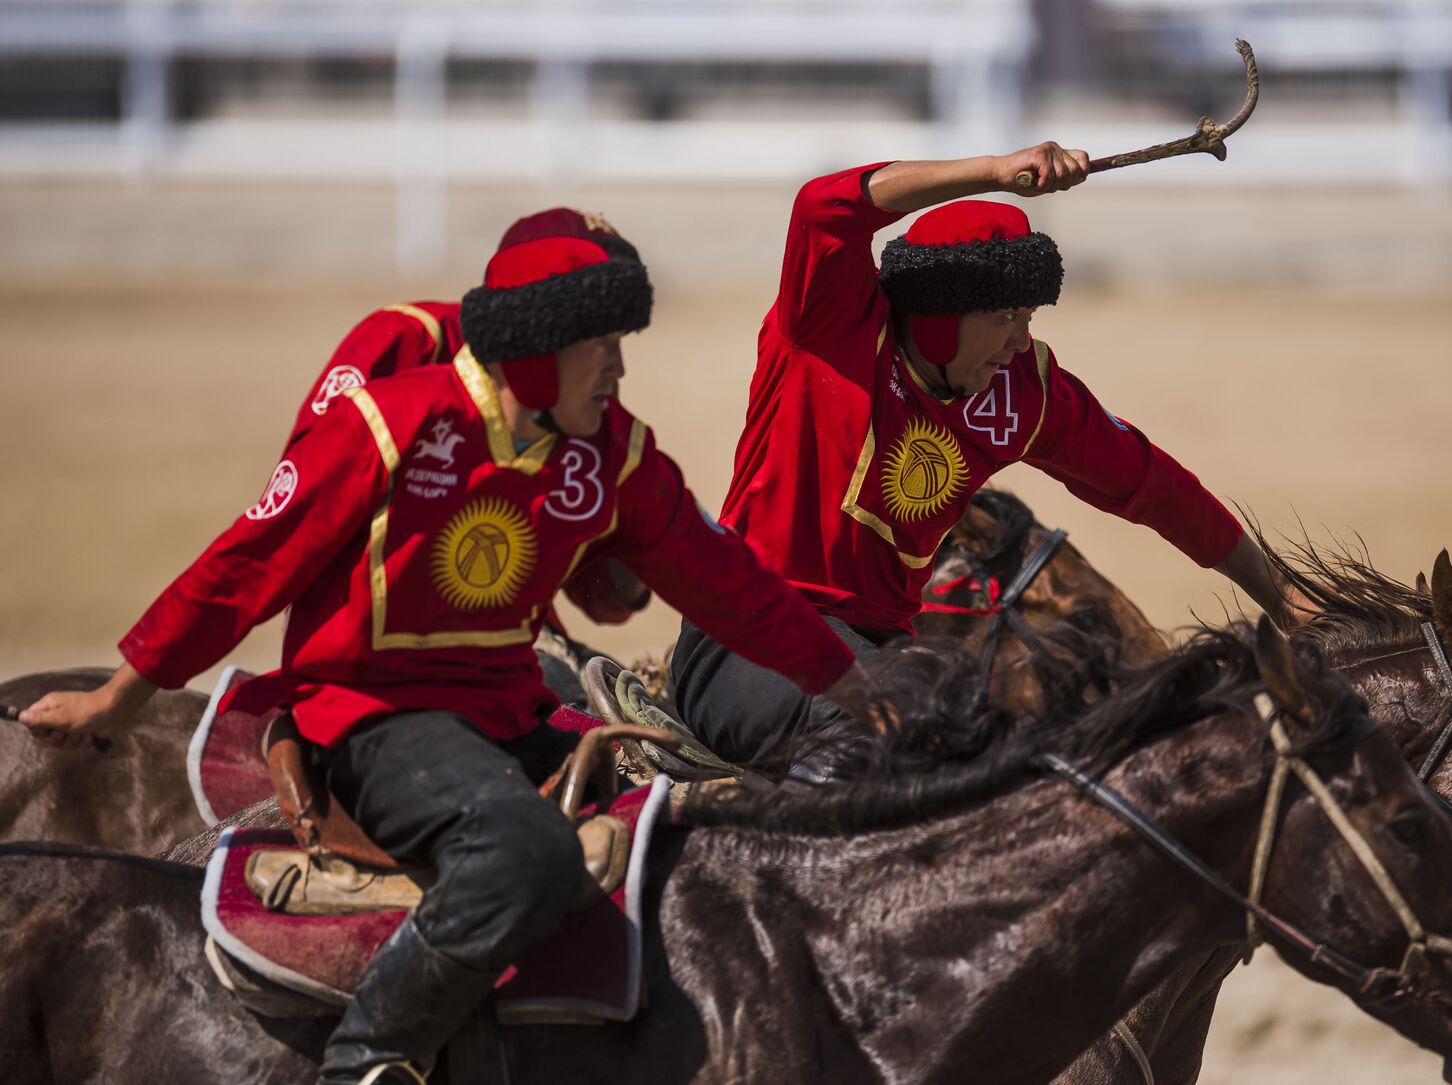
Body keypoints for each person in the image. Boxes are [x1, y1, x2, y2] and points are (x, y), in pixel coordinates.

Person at [20, 227, 876, 1084]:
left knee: (670, 823)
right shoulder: (389, 426)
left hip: (507, 713)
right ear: (535, 357)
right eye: (600, 345)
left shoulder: (612, 454)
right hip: (373, 720)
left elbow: (727, 582)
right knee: (526, 854)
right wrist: (116, 700)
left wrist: (849, 682)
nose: (618, 366)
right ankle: (366, 1054)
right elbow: (244, 568)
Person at [673, 143, 1295, 773]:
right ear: (939, 315)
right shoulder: (830, 325)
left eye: (1027, 316)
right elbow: (822, 207)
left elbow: (1156, 487)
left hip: (884, 654)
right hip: (746, 635)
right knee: (892, 726)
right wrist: (995, 172)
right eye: (1003, 317)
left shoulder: (1023, 393)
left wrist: (1283, 598)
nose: (1021, 341)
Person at [292, 207, 652, 625]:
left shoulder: (581, 399)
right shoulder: (408, 341)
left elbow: (607, 597)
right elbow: (300, 512)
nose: (614, 358)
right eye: (595, 313)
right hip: (369, 633)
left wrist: (641, 508)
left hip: (508, 641)